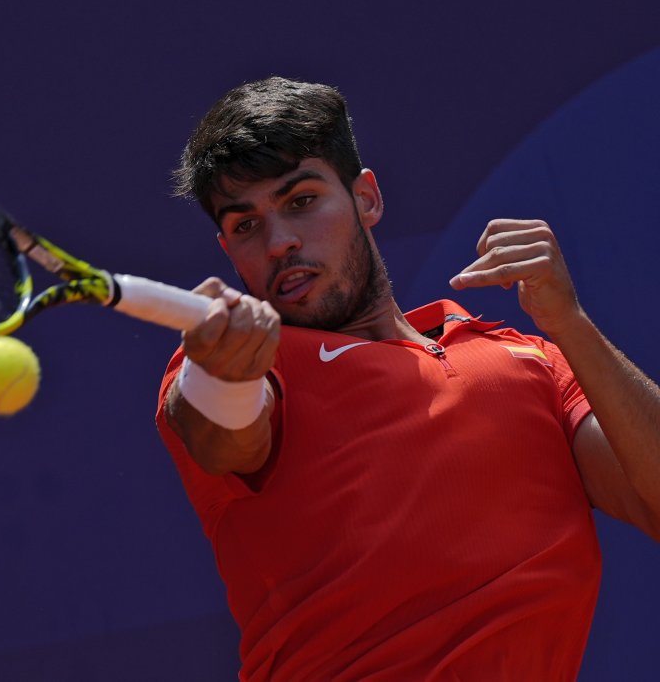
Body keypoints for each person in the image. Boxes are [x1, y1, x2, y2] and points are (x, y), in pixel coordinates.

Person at [155, 76, 660, 681]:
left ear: (366, 198)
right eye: (245, 226)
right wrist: (222, 374)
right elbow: (222, 436)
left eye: (301, 201)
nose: (279, 242)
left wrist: (570, 324)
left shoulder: (533, 362)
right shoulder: (244, 362)